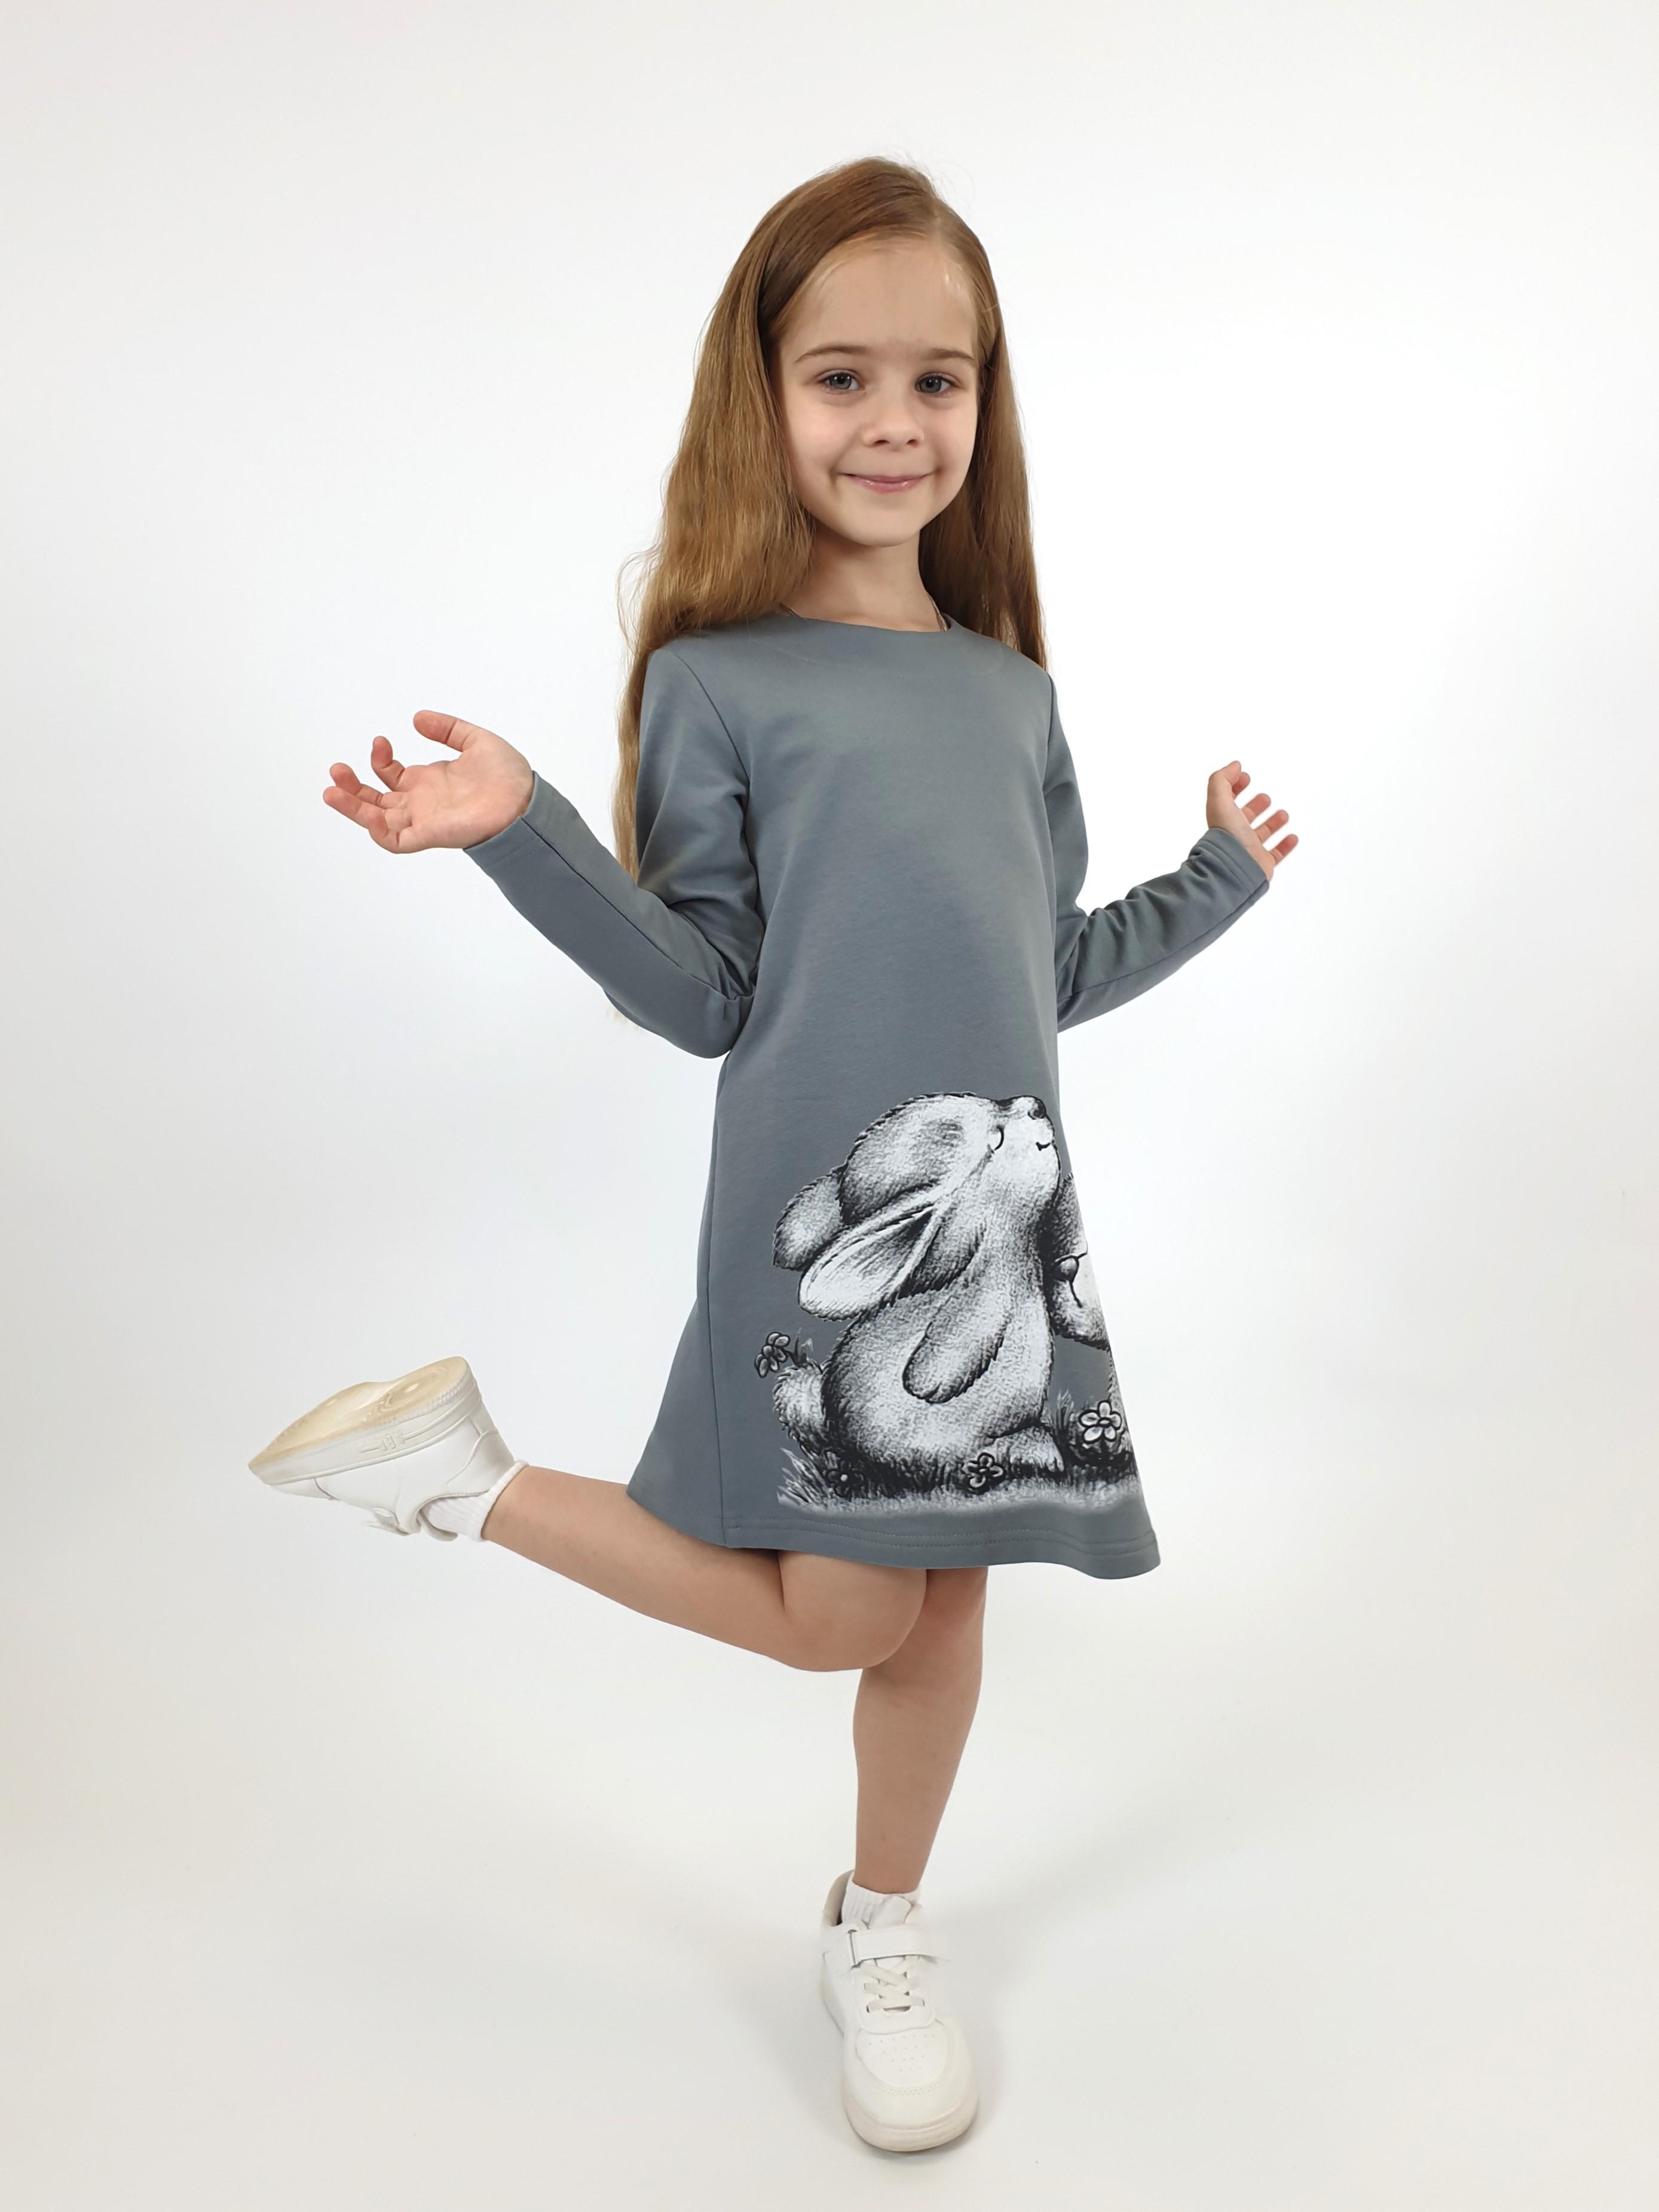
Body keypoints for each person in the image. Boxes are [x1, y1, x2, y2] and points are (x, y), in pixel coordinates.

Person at [247, 154, 1296, 2155]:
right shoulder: (720, 681)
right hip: (827, 1224)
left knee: (947, 1614)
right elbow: (703, 989)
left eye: (939, 380)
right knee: (843, 1614)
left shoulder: (1011, 694)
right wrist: (521, 828)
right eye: (842, 378)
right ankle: (467, 1483)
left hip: (997, 1234)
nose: (896, 423)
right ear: (765, 397)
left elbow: (1046, 972)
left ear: (986, 404)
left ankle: (882, 1926)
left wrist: (1216, 885)